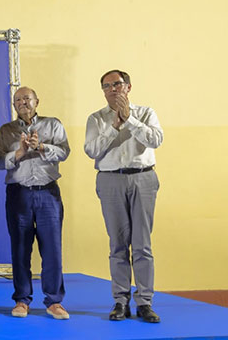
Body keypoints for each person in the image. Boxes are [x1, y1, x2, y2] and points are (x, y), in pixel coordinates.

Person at [84, 69, 163, 323]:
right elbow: (91, 149)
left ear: (128, 86)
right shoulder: (96, 118)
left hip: (143, 178)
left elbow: (156, 139)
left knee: (142, 244)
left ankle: (145, 302)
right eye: (106, 86)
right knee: (117, 244)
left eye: (117, 84)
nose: (112, 89)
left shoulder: (146, 113)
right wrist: (115, 126)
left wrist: (130, 120)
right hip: (110, 180)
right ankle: (120, 301)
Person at [0, 87, 70, 320]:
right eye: (18, 100)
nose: (23, 103)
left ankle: (54, 302)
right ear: (14, 105)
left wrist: (42, 147)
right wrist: (20, 152)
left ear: (37, 101)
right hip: (19, 194)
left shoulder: (53, 124)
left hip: (48, 193)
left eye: (27, 99)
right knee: (20, 249)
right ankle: (21, 300)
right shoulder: (6, 131)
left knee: (52, 249)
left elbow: (65, 152)